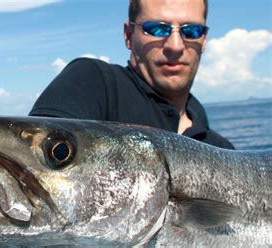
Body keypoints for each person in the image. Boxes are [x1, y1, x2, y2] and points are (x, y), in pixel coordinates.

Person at [29, 0, 234, 149]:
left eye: (192, 31)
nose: (175, 46)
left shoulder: (223, 149)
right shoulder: (94, 81)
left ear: (204, 40)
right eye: (157, 29)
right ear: (128, 36)